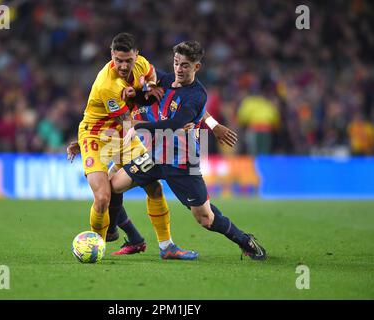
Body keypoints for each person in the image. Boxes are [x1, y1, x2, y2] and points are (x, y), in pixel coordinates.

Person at [110, 40, 267, 260]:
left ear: (196, 67)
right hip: (154, 156)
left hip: (181, 161)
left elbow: (175, 124)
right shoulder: (162, 80)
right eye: (176, 63)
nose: (179, 69)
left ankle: (245, 241)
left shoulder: (197, 95)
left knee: (205, 218)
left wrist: (139, 127)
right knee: (112, 186)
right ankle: (131, 237)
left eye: (185, 65)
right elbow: (140, 85)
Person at [76, 32, 197, 259]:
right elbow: (129, 121)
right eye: (118, 60)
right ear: (112, 55)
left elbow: (152, 81)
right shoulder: (107, 85)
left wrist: (148, 87)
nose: (123, 65)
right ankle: (96, 245)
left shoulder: (142, 64)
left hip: (123, 134)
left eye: (128, 60)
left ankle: (166, 247)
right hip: (97, 136)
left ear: (136, 56)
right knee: (102, 198)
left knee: (154, 186)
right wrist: (173, 125)